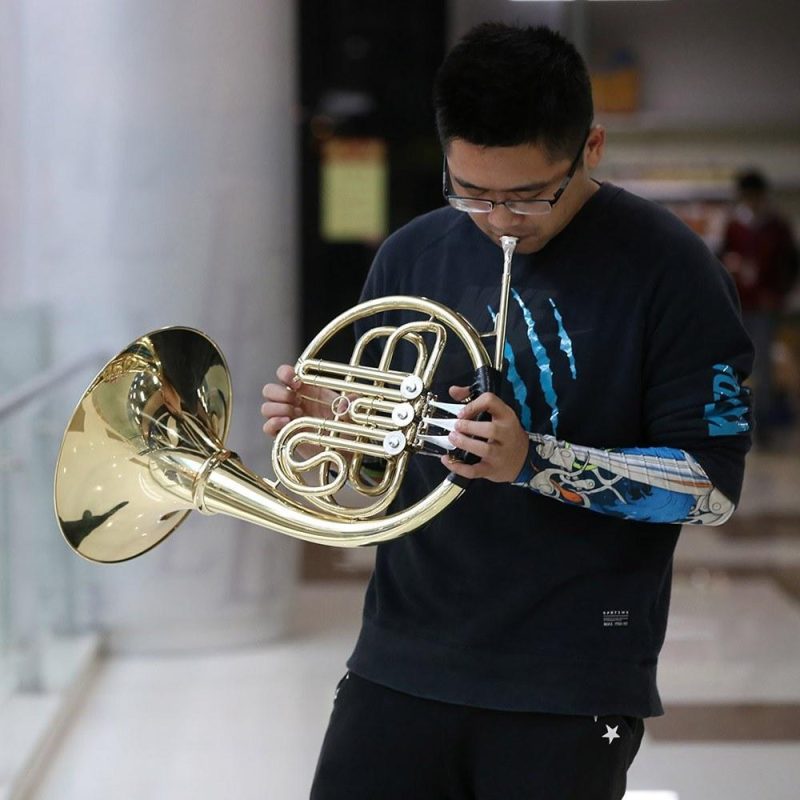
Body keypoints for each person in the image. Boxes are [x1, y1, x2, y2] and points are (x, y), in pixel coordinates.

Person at [262, 23, 753, 800]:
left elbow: (711, 490)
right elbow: (375, 475)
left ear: (590, 148)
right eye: (472, 192)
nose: (498, 220)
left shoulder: (673, 269)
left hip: (573, 670)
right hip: (403, 649)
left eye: (527, 196)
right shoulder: (413, 253)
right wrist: (331, 422)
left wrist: (535, 461)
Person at [720, 169, 798, 446]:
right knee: (727, 364)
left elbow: (790, 263)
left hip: (764, 305)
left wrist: (778, 293)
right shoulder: (734, 225)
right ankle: (727, 429)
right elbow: (722, 258)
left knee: (763, 365)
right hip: (737, 303)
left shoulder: (777, 226)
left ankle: (763, 427)